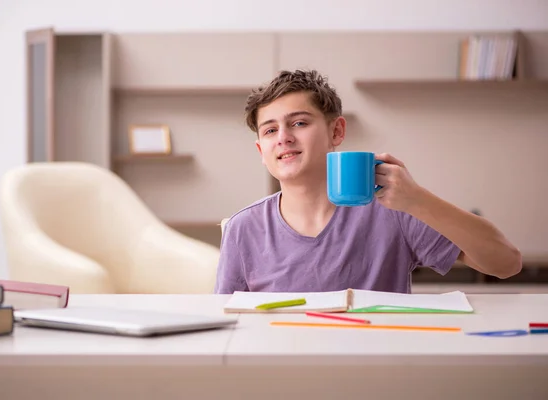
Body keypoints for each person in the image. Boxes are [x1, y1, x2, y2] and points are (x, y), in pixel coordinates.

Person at [214, 69, 522, 294]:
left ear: (336, 132)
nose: (283, 138)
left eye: (299, 123)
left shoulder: (396, 209)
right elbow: (226, 324)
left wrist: (418, 199)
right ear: (261, 150)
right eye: (269, 130)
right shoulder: (243, 229)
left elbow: (506, 263)